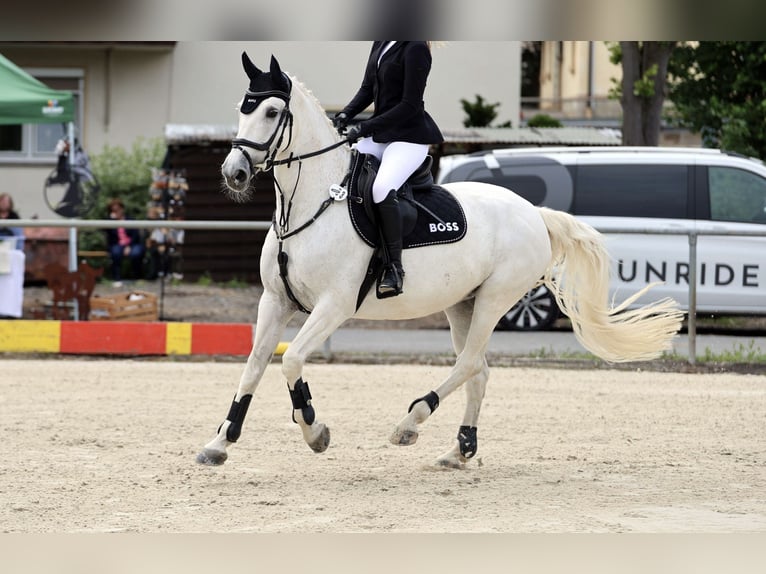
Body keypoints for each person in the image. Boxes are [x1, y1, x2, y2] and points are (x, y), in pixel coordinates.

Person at [333, 41, 444, 297]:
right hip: (381, 135)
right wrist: (345, 115)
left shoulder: (415, 47)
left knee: (381, 188)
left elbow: (409, 105)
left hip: (409, 138)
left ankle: (393, 268)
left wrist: (364, 128)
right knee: (341, 177)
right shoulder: (381, 42)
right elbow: (367, 89)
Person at [105, 198, 145, 286]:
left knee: (136, 253)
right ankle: (117, 278)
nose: (116, 212)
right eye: (114, 210)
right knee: (115, 253)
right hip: (117, 244)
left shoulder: (130, 219)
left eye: (118, 209)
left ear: (122, 209)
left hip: (132, 244)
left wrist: (129, 246)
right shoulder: (110, 222)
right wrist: (111, 220)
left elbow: (135, 235)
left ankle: (137, 277)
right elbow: (108, 234)